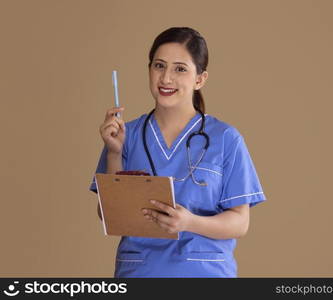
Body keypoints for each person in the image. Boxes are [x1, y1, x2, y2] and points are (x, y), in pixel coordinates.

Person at [89, 27, 266, 278]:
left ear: (200, 79)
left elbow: (240, 222)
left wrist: (189, 222)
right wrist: (114, 153)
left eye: (180, 69)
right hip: (140, 273)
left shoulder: (226, 138)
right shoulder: (123, 135)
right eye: (159, 66)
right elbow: (107, 215)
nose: (166, 78)